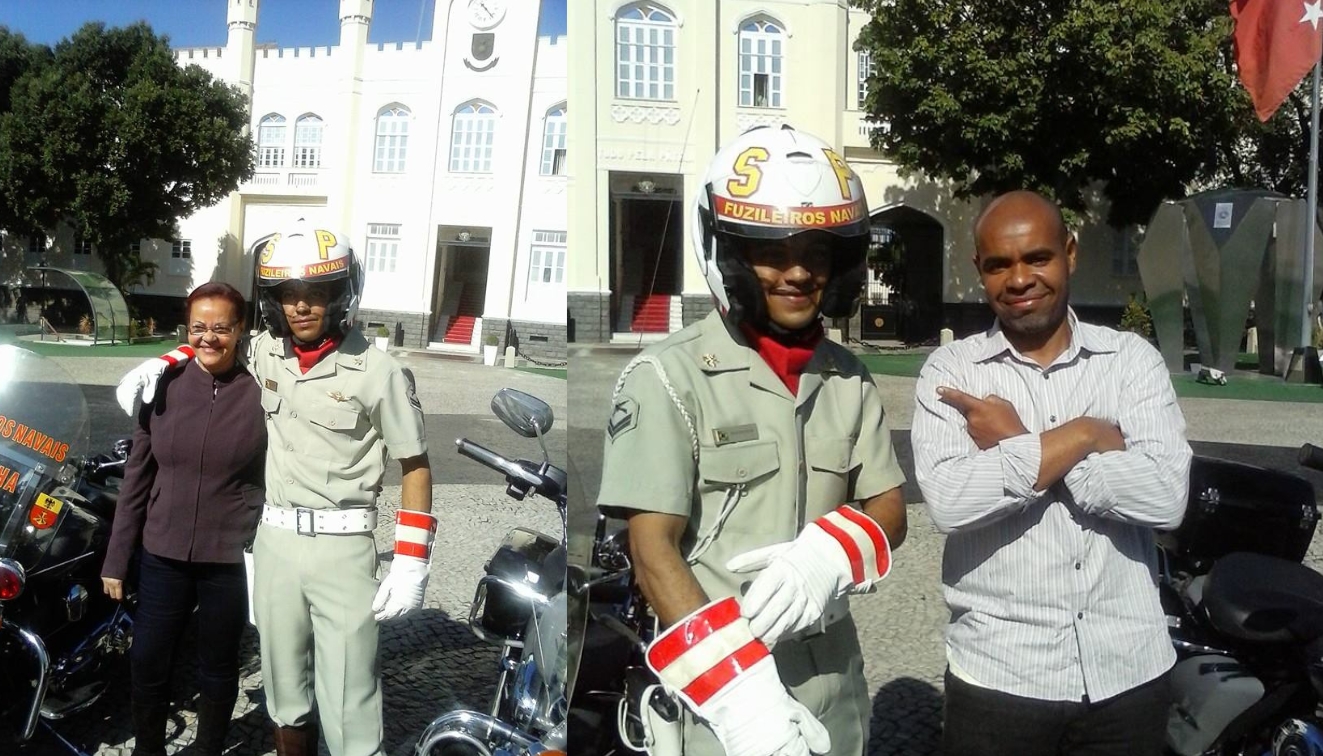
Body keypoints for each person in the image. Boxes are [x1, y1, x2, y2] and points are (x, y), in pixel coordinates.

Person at [597, 124, 908, 756]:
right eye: (772, 251)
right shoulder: (665, 377)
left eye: (817, 252)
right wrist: (741, 700)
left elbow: (890, 511)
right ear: (730, 253)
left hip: (832, 680)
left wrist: (830, 553)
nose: (798, 272)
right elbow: (652, 550)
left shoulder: (847, 376)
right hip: (722, 694)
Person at [116, 222, 434, 756]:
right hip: (274, 546)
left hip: (342, 548)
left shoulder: (379, 372)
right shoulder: (268, 352)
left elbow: (415, 464)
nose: (301, 307)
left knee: (351, 695)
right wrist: (165, 360)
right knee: (284, 691)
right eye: (289, 295)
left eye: (316, 293)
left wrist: (411, 559)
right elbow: (213, 341)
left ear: (341, 294)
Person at [910, 190, 1192, 756]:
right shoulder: (952, 371)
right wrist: (1087, 437)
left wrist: (1017, 444)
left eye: (1037, 257)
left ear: (1070, 253)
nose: (1019, 279)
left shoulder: (1131, 361)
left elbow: (1166, 498)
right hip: (1000, 678)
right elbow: (950, 501)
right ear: (979, 270)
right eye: (999, 265)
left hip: (1127, 674)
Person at [101, 282, 265, 756]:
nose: (209, 338)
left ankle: (209, 747)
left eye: (221, 328)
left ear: (240, 330)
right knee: (147, 660)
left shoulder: (260, 395)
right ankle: (147, 749)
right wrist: (116, 558)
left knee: (217, 665)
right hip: (163, 554)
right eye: (199, 327)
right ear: (185, 330)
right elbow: (136, 477)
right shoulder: (164, 386)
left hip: (227, 558)